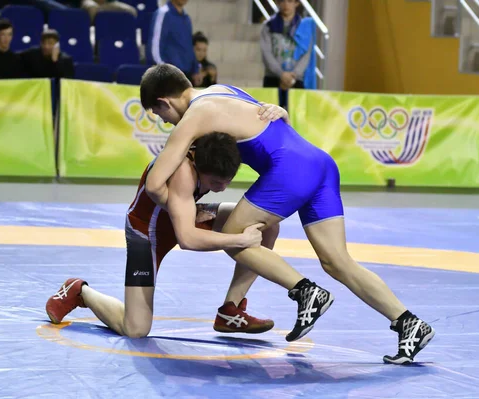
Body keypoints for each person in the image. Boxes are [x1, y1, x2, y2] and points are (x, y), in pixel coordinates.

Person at [139, 63, 436, 364]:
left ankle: (305, 292)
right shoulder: (225, 91)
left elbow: (153, 184)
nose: (165, 122)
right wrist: (284, 112)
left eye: (160, 115)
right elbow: (272, 122)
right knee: (337, 261)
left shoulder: (194, 117)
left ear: (164, 101)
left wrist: (190, 210)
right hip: (319, 163)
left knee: (234, 236)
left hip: (290, 169)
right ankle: (409, 324)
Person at [46, 108, 291, 338]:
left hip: (186, 214)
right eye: (216, 184)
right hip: (147, 233)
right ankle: (80, 290)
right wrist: (239, 240)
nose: (221, 189)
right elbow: (188, 239)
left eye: (228, 182)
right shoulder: (183, 171)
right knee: (136, 329)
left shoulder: (213, 147)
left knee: (266, 226)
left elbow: (247, 120)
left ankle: (231, 308)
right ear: (198, 165)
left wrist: (281, 115)